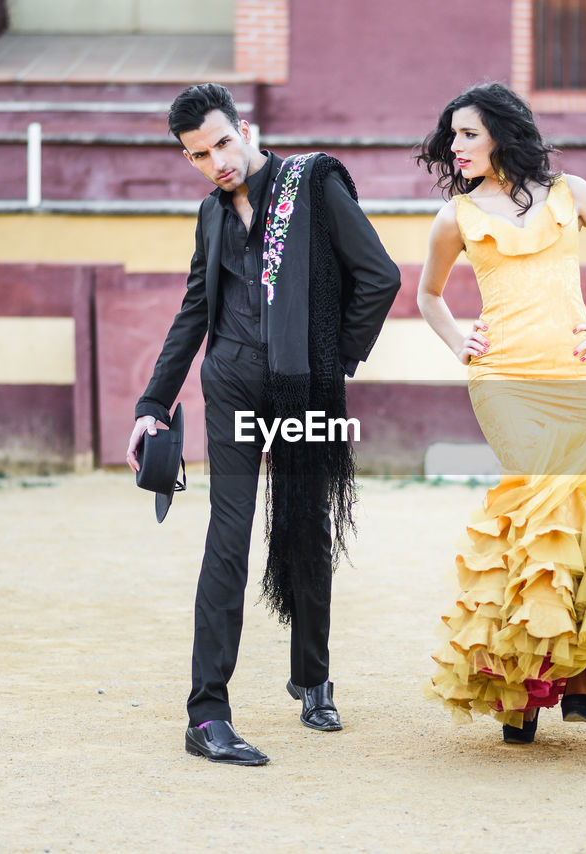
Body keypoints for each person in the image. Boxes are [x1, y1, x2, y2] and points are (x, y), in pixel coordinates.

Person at [126, 83, 401, 766]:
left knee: (305, 524)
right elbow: (195, 312)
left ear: (243, 128)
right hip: (232, 388)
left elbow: (380, 277)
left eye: (221, 142)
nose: (216, 161)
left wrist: (331, 357)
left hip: (303, 386)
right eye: (198, 154)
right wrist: (152, 406)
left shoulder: (311, 184)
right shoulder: (210, 216)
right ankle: (206, 713)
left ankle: (312, 679)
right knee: (229, 536)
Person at [415, 82, 586, 744]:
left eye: (468, 135)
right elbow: (427, 295)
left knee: (569, 516)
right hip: (502, 381)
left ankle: (572, 678)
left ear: (503, 134)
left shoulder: (574, 195)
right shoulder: (455, 217)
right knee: (537, 505)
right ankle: (521, 691)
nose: (455, 147)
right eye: (451, 136)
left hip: (572, 377)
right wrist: (459, 341)